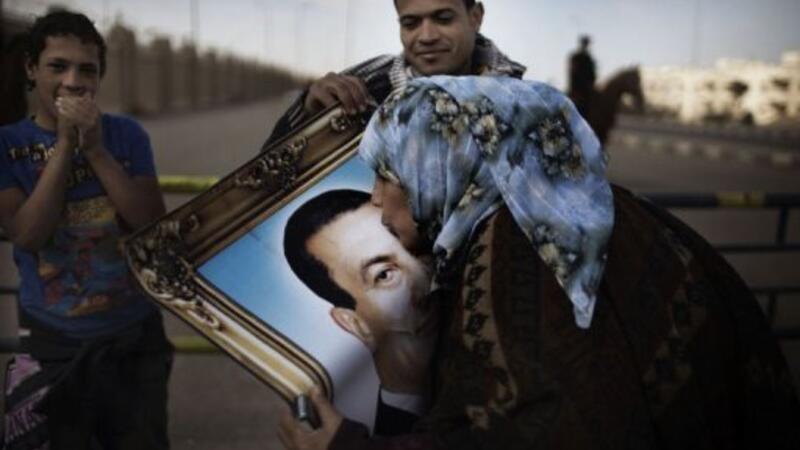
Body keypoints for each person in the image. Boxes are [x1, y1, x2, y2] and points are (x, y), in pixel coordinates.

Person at [277, 76, 800, 450]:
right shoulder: (577, 213)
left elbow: (534, 432)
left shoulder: (518, 250)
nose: (375, 198)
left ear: (439, 169)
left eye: (388, 174)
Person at [0, 11, 171, 450]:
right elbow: (27, 235)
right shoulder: (8, 144)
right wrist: (64, 144)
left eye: (87, 70)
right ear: (31, 69)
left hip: (132, 341)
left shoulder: (126, 135)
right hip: (52, 342)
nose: (73, 82)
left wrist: (94, 151)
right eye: (58, 66)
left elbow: (149, 223)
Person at [262, 0, 525, 149]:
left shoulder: (523, 103)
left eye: (443, 19)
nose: (427, 36)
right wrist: (307, 116)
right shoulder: (365, 83)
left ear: (475, 17)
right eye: (411, 23)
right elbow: (260, 185)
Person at [284, 189, 438, 435]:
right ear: (354, 323)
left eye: (416, 247)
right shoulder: (392, 437)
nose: (426, 276)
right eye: (384, 275)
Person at [567, 35, 597, 119]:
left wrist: (591, 85)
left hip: (588, 90)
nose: (586, 45)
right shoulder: (576, 57)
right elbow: (573, 74)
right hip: (577, 90)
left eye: (587, 44)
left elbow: (593, 74)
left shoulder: (589, 59)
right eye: (585, 43)